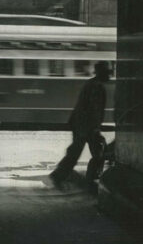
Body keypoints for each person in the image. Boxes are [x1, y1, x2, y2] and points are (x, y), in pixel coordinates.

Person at [49, 60, 112, 190]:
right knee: (93, 153)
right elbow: (93, 110)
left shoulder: (92, 84)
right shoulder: (97, 87)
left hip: (82, 124)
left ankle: (60, 175)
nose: (109, 76)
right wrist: (95, 129)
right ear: (101, 73)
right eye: (107, 73)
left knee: (78, 152)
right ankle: (88, 180)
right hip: (85, 126)